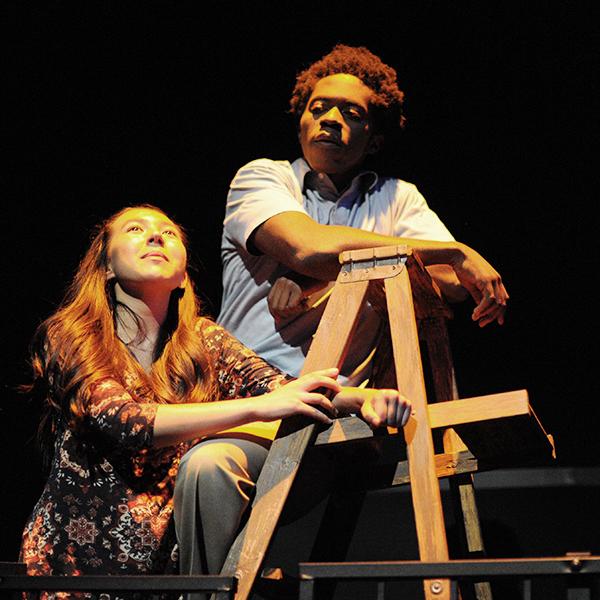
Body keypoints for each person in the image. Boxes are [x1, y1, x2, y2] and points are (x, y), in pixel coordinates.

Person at [19, 205, 412, 599]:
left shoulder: (203, 341)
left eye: (169, 233)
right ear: (105, 267)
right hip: (75, 568)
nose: (156, 237)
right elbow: (126, 421)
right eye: (135, 229)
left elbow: (282, 387)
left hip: (162, 572)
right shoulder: (74, 334)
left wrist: (362, 399)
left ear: (182, 278)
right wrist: (259, 407)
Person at [217, 44, 509, 383]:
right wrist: (454, 251)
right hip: (247, 386)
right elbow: (308, 249)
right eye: (318, 108)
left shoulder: (397, 196)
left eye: (351, 114)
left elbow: (453, 282)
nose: (329, 119)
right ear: (300, 126)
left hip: (349, 402)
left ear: (375, 142)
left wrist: (311, 279)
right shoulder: (262, 176)